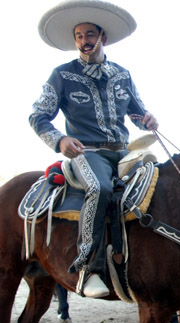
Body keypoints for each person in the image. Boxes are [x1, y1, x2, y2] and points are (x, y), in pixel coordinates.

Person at [30, 0, 159, 298]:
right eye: (78, 36)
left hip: (125, 152)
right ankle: (88, 267)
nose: (84, 41)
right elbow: (37, 116)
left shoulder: (122, 74)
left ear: (102, 37)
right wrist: (60, 140)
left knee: (160, 184)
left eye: (89, 34)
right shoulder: (61, 75)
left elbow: (138, 113)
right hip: (87, 153)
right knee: (100, 189)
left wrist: (148, 119)